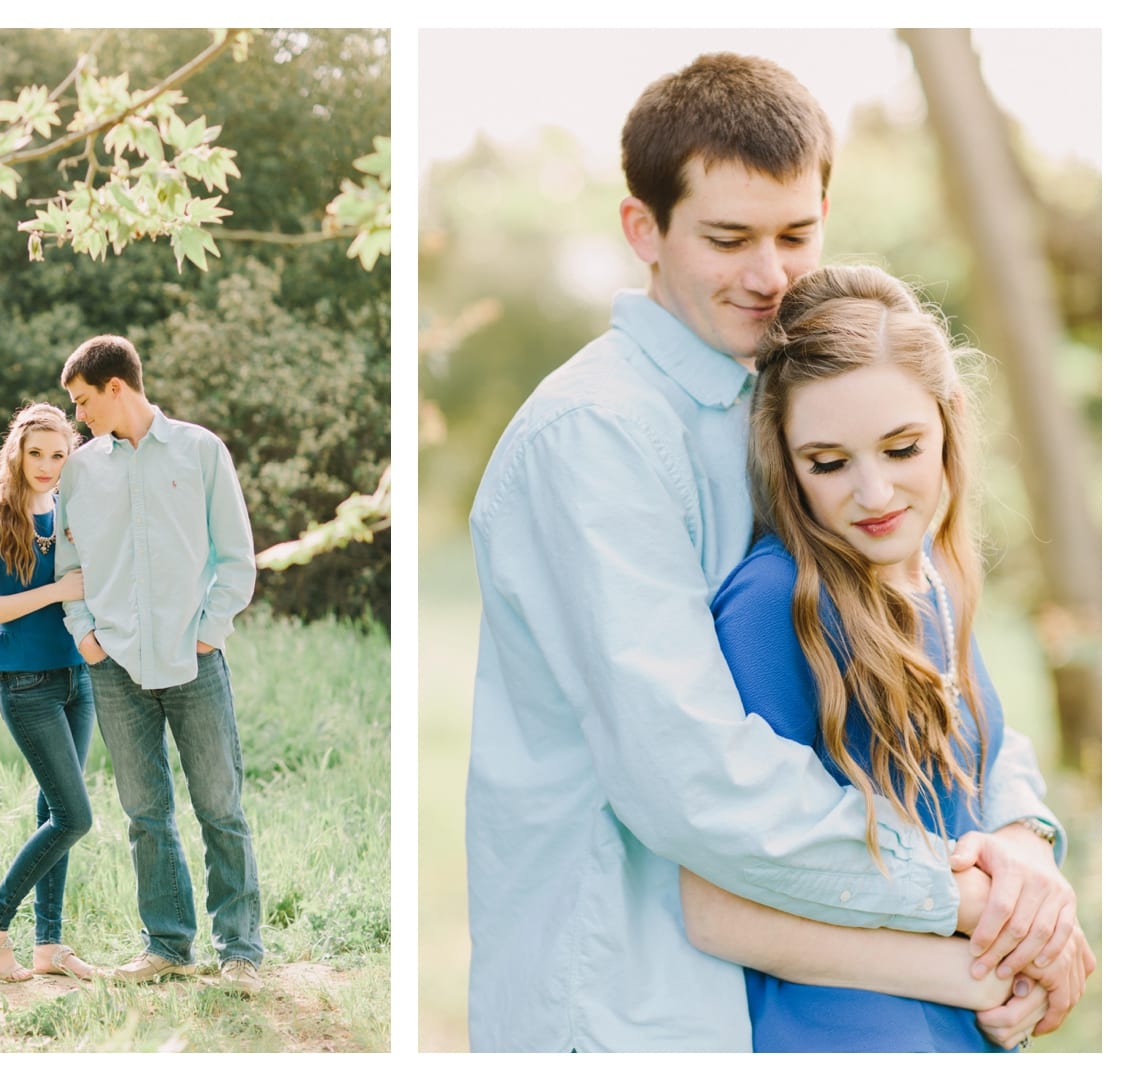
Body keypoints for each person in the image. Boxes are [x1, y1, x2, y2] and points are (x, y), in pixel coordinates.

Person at [466, 51, 1083, 1052]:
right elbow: (694, 779)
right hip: (625, 1000)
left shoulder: (804, 408)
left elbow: (926, 655)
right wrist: (970, 900)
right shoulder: (596, 438)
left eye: (796, 233)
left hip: (801, 987)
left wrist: (1021, 843)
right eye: (728, 238)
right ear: (643, 232)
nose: (769, 274)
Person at [676, 264, 1095, 1051]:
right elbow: (715, 899)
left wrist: (1034, 884)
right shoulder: (777, 603)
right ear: (785, 460)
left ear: (950, 420)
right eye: (828, 463)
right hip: (850, 1035)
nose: (873, 494)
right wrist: (974, 971)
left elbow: (985, 772)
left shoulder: (931, 575)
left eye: (902, 448)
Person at [53, 334, 263, 995]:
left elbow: (237, 557)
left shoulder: (200, 451)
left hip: (193, 659)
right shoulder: (82, 471)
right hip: (114, 664)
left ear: (117, 386)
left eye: (83, 401)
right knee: (145, 813)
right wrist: (85, 634)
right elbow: (69, 564)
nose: (78, 417)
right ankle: (167, 946)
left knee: (220, 806)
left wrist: (208, 631)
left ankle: (241, 951)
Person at [0, 401, 98, 982]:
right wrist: (56, 591)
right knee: (73, 817)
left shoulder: (73, 509)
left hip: (78, 677)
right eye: (35, 452)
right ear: (15, 451)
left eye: (58, 455)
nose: (46, 465)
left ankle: (49, 946)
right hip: (27, 683)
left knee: (53, 809)